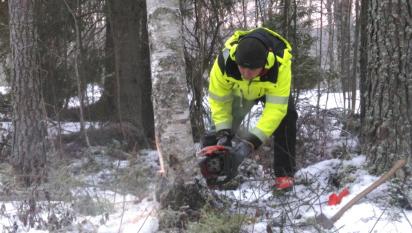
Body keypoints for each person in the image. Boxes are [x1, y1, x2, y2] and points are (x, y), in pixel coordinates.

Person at [203, 27, 298, 191]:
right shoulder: (224, 62)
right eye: (242, 67)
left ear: (264, 64)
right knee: (216, 134)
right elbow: (219, 101)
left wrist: (250, 142)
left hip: (267, 91)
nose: (246, 73)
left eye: (252, 69)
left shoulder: (280, 66)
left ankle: (284, 176)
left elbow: (275, 111)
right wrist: (223, 133)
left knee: (287, 117)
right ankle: (209, 177)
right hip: (238, 93)